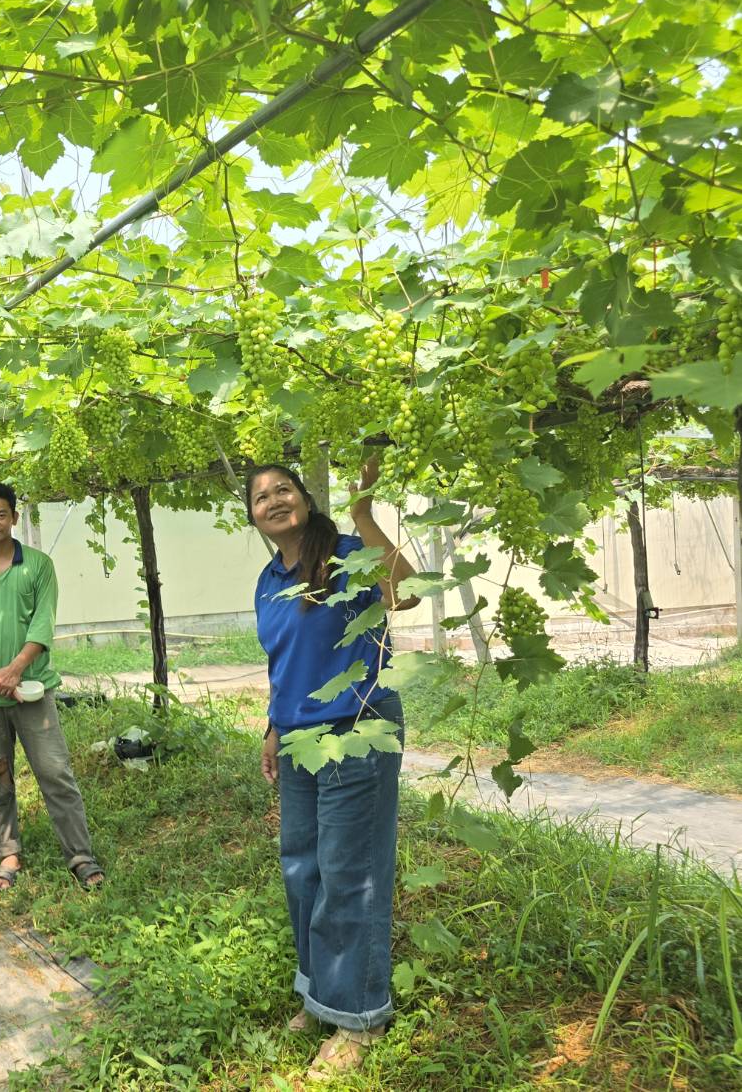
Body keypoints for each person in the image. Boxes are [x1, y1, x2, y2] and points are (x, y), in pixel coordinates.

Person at [249, 458, 418, 1081]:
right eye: (260, 496)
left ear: (304, 498)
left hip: (358, 727)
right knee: (303, 866)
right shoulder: (269, 579)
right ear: (252, 515)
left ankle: (358, 1018)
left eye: (283, 489)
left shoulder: (346, 551)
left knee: (351, 872)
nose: (273, 501)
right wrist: (273, 727)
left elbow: (406, 591)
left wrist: (365, 515)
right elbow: (284, 660)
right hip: (297, 739)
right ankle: (322, 993)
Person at [0, 481, 105, 892]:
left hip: (33, 690)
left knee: (55, 772)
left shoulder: (37, 566)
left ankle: (81, 855)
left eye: (2, 514)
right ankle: (8, 853)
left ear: (15, 517)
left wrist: (16, 669)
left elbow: (42, 624)